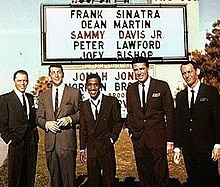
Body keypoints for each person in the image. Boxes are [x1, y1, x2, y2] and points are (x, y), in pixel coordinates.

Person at [126, 57, 175, 187]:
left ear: (148, 68)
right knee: (144, 176)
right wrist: (132, 133)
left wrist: (170, 140)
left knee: (161, 176)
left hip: (158, 139)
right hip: (139, 140)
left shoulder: (161, 86)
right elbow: (130, 114)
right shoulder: (130, 89)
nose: (139, 72)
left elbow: (170, 115)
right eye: (135, 70)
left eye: (141, 69)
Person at [174, 61, 220, 187]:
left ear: (197, 72)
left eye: (189, 72)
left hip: (207, 148)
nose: (187, 75)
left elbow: (217, 120)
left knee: (211, 180)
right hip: (188, 149)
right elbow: (178, 123)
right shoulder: (180, 96)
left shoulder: (211, 92)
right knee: (194, 180)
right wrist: (177, 147)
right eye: (184, 73)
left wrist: (218, 144)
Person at [37, 64, 82, 187]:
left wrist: (70, 119)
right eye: (53, 72)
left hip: (67, 144)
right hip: (50, 145)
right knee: (55, 180)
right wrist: (46, 124)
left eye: (59, 72)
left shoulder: (74, 93)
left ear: (63, 74)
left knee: (69, 181)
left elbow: (81, 114)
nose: (56, 75)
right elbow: (39, 118)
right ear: (50, 76)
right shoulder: (43, 96)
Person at [79, 73, 122, 187]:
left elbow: (118, 123)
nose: (93, 88)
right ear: (86, 86)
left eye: (95, 85)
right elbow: (83, 128)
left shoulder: (111, 102)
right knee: (93, 181)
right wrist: (82, 149)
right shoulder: (83, 105)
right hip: (92, 149)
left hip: (106, 147)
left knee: (109, 180)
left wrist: (112, 139)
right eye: (90, 85)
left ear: (100, 86)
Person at [0, 70, 38, 187]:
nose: (22, 83)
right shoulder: (5, 99)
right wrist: (9, 139)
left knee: (29, 176)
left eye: (25, 80)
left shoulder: (30, 98)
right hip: (16, 143)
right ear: (14, 82)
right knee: (15, 177)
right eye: (19, 81)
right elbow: (2, 123)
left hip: (31, 143)